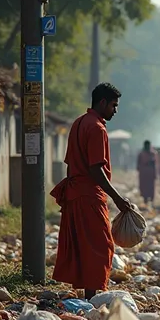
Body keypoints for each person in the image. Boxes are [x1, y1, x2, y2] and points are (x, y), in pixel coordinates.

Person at [51, 83, 132, 300]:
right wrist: (118, 199)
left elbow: (70, 163)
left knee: (82, 244)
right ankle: (91, 296)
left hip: (75, 192)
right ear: (102, 102)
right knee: (101, 245)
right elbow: (96, 169)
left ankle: (87, 294)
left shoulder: (78, 123)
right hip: (89, 194)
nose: (115, 110)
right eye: (114, 105)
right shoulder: (97, 128)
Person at [137, 140, 157, 205]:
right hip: (143, 173)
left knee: (151, 187)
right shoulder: (141, 154)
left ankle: (151, 200)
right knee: (144, 187)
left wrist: (155, 174)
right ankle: (145, 199)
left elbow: (154, 165)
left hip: (150, 173)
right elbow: (138, 164)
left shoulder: (153, 153)